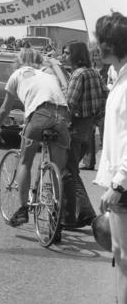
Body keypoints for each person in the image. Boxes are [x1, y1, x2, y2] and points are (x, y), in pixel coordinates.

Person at [0, 48, 70, 229]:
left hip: (40, 113)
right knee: (57, 168)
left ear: (18, 62)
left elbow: (5, 108)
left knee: (25, 161)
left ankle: (22, 210)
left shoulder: (17, 75)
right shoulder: (48, 74)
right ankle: (57, 212)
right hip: (63, 114)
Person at [94, 12, 127, 304]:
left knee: (124, 258)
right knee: (120, 257)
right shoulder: (120, 77)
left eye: (99, 40)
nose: (96, 45)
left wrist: (118, 185)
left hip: (125, 187)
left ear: (111, 44)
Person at [61, 42, 108, 229]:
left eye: (66, 52)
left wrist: (60, 125)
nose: (63, 55)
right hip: (87, 129)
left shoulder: (78, 75)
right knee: (72, 170)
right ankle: (86, 213)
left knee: (67, 172)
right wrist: (95, 121)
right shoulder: (94, 73)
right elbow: (106, 98)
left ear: (75, 55)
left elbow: (69, 105)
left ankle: (69, 217)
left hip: (74, 128)